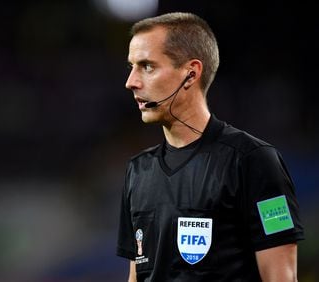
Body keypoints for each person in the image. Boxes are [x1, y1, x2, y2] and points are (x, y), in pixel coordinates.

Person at [116, 12, 304, 282]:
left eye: (147, 66)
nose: (131, 81)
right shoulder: (137, 171)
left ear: (190, 74)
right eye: (131, 67)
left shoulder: (253, 161)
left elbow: (281, 277)